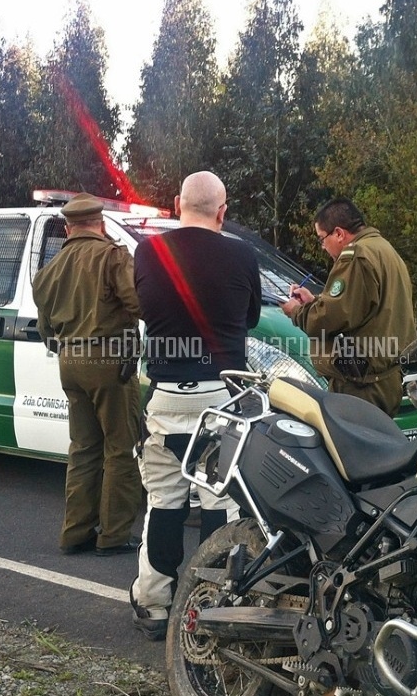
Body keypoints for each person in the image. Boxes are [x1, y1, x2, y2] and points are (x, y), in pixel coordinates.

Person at [129, 171, 262, 641]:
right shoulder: (243, 255)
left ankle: (152, 603)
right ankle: (215, 604)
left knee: (162, 502)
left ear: (176, 204)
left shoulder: (148, 252)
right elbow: (248, 319)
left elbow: (145, 311)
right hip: (222, 395)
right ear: (222, 211)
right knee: (218, 503)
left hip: (165, 397)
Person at [31, 193, 144, 557]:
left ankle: (75, 532)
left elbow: (47, 332)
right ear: (101, 224)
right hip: (109, 363)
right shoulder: (112, 257)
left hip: (69, 363)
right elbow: (139, 304)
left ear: (67, 228)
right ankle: (113, 535)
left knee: (83, 448)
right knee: (120, 448)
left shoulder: (48, 271)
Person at [280, 197, 416, 416]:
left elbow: (327, 319)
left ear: (339, 233)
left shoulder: (356, 256)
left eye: (322, 239)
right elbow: (364, 310)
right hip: (388, 378)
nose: (323, 247)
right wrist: (314, 301)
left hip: (362, 386)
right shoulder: (384, 249)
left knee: (348, 449)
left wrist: (296, 311)